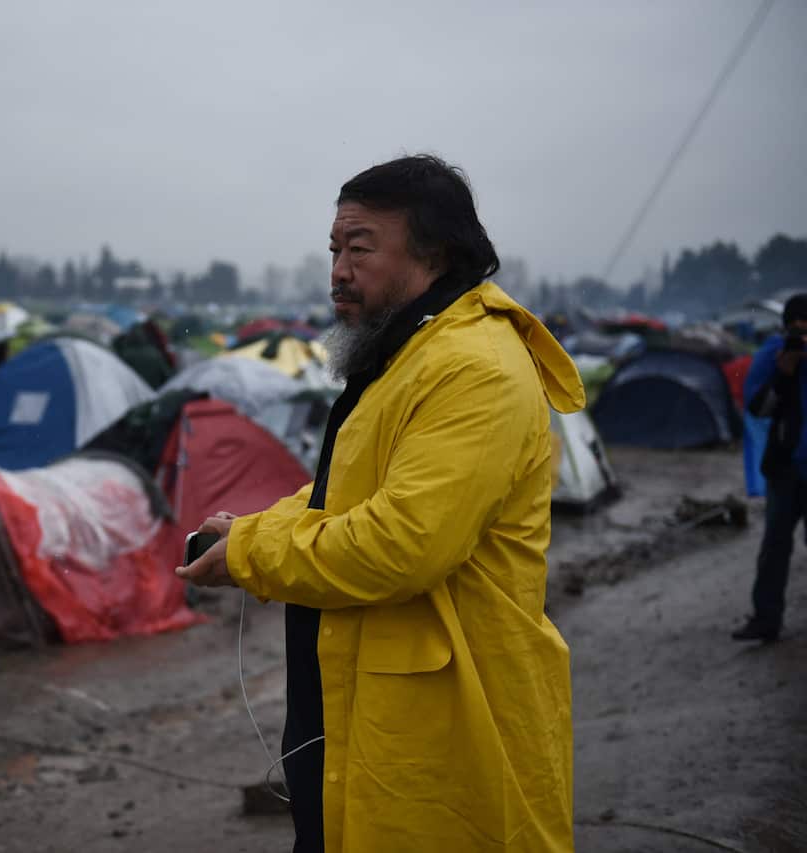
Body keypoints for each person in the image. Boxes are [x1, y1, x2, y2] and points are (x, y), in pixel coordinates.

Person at [177, 155, 583, 851]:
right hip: (376, 712)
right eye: (334, 250)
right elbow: (350, 490)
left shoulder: (475, 368)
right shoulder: (410, 356)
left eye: (360, 249)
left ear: (435, 253)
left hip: (452, 726)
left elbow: (402, 544)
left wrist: (253, 553)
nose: (338, 271)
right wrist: (257, 527)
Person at [733, 293, 807, 642]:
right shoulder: (772, 354)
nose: (801, 334)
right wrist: (783, 372)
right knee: (776, 544)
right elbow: (758, 408)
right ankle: (766, 617)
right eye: (797, 327)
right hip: (785, 466)